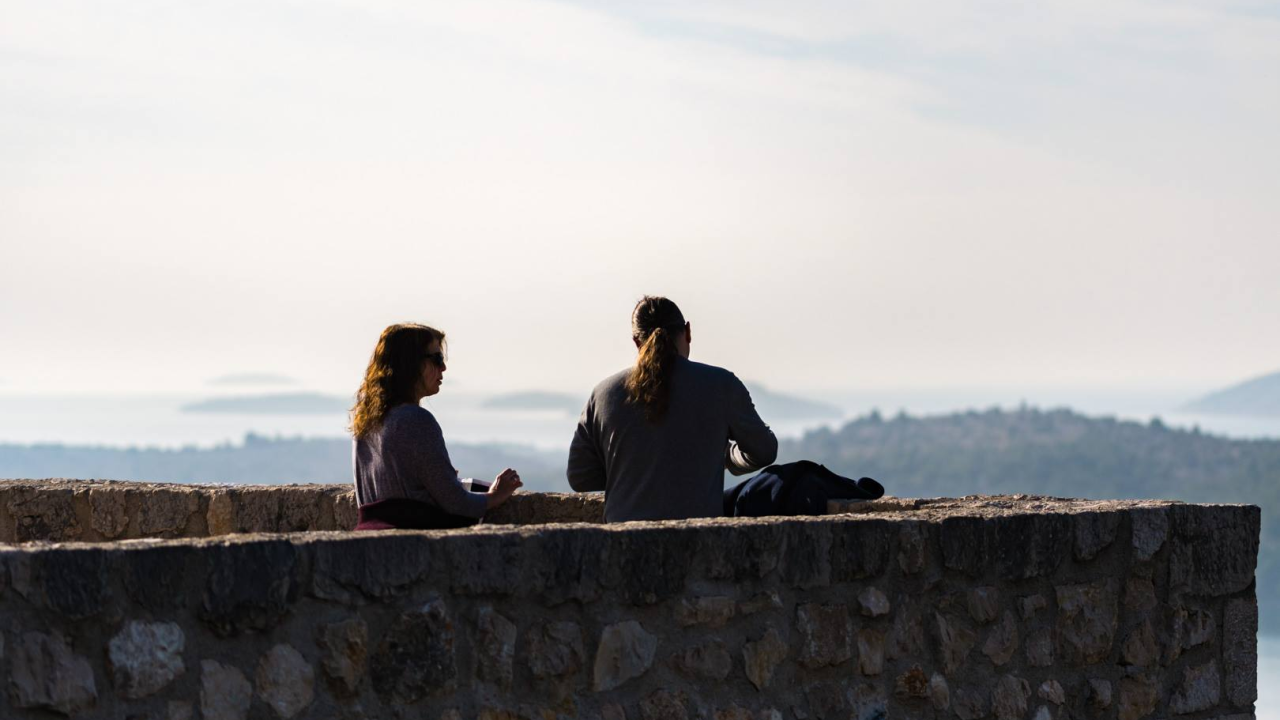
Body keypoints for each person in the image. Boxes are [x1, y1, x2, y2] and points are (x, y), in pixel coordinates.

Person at [567, 296, 777, 522]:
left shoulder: (603, 394)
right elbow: (764, 450)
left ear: (636, 342)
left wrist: (629, 469)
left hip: (622, 539)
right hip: (698, 538)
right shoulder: (721, 385)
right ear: (688, 332)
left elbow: (579, 476)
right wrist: (724, 458)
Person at [350, 323, 522, 529]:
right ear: (411, 363)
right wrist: (495, 494)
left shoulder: (366, 420)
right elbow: (457, 503)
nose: (443, 367)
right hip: (413, 539)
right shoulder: (415, 419)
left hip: (369, 537)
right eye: (437, 359)